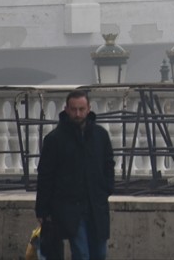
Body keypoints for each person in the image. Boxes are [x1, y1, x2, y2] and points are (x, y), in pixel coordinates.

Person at [36, 89, 114, 260]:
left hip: (96, 206)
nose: (78, 114)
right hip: (69, 208)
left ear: (89, 108)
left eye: (81, 109)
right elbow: (45, 176)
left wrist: (106, 189)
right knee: (81, 254)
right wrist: (42, 210)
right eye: (73, 109)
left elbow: (109, 164)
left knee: (100, 253)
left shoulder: (100, 136)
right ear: (66, 109)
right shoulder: (55, 139)